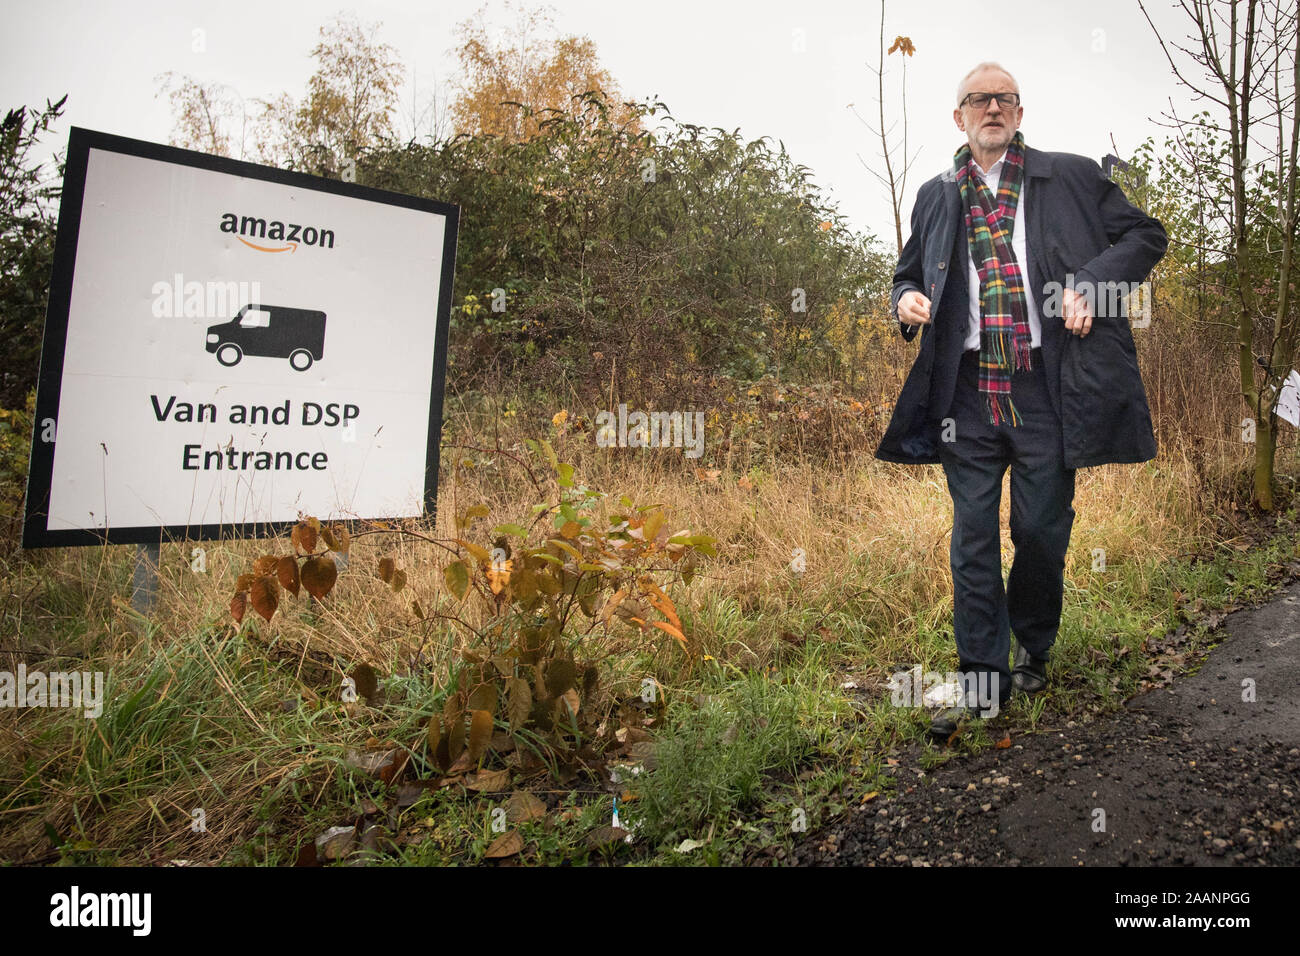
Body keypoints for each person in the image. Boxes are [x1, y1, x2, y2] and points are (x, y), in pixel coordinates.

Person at [875, 62, 1168, 740]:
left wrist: (1092, 286)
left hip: (1047, 385)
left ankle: (1033, 643)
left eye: (1005, 98)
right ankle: (983, 678)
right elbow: (909, 274)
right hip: (966, 393)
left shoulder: (1067, 176)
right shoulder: (935, 195)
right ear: (959, 118)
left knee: (1039, 529)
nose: (992, 108)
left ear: (1020, 111)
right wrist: (906, 301)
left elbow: (1145, 235)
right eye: (979, 99)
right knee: (971, 536)